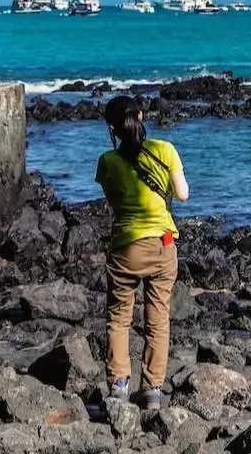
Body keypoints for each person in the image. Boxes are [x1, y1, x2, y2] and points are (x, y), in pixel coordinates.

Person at [96, 95, 188, 410]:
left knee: (119, 319)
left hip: (126, 248)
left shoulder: (107, 162)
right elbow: (183, 195)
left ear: (112, 128)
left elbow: (114, 202)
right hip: (162, 244)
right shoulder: (165, 150)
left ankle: (119, 386)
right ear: (141, 115)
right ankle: (152, 390)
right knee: (158, 319)